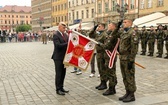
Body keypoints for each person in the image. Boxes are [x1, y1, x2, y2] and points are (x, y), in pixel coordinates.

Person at [99, 21, 121, 96]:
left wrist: (101, 44)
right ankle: (111, 88)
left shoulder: (114, 34)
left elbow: (106, 46)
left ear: (114, 27)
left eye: (110, 25)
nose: (108, 25)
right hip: (107, 56)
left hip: (111, 56)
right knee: (108, 72)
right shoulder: (109, 33)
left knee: (111, 73)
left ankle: (112, 88)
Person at [118, 18, 137, 102]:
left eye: (125, 22)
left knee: (130, 77)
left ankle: (132, 95)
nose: (123, 23)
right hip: (122, 58)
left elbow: (134, 48)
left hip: (128, 59)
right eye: (123, 22)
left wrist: (131, 60)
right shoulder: (123, 33)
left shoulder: (132, 33)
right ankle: (127, 92)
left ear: (130, 23)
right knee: (124, 76)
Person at [51, 22, 69, 95]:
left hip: (64, 57)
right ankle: (58, 89)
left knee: (63, 73)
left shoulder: (65, 35)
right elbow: (58, 45)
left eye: (65, 28)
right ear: (59, 27)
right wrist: (68, 44)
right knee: (59, 73)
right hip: (58, 57)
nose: (64, 29)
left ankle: (61, 87)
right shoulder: (56, 35)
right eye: (63, 28)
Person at [89, 23, 107, 90]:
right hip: (98, 53)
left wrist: (100, 44)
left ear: (103, 27)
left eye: (99, 26)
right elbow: (90, 35)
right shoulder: (97, 34)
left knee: (103, 69)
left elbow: (106, 44)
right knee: (100, 68)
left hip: (103, 53)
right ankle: (102, 82)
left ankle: (104, 83)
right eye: (98, 26)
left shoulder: (105, 34)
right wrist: (94, 28)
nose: (98, 28)